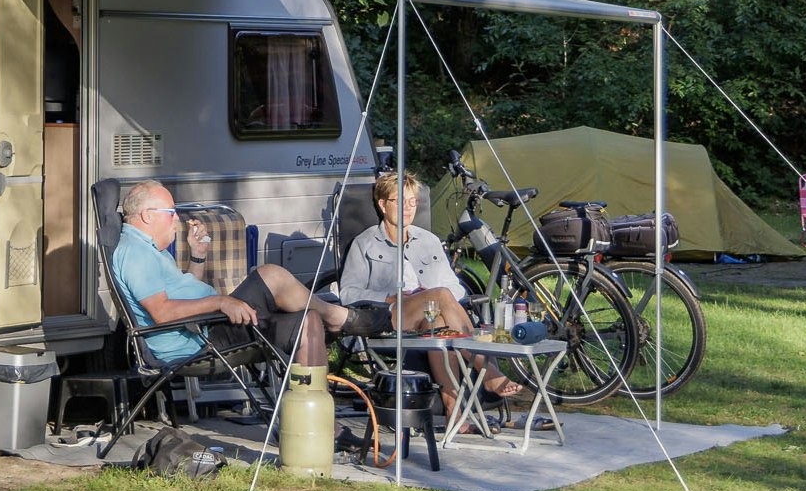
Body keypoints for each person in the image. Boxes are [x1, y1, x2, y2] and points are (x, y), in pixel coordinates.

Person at [109, 180, 384, 367]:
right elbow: (163, 313)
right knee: (270, 275)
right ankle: (340, 317)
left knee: (308, 320)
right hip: (201, 339)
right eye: (171, 213)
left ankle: (319, 425)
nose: (177, 219)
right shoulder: (135, 253)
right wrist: (221, 301)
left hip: (206, 326)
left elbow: (185, 292)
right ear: (147, 215)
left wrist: (197, 256)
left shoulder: (147, 249)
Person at [337, 171, 522, 399]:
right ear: (383, 205)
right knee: (442, 297)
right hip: (389, 317)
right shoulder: (365, 243)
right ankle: (489, 371)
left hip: (429, 314)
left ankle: (454, 412)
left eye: (413, 201)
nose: (408, 208)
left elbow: (456, 289)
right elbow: (347, 293)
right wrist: (388, 297)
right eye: (400, 201)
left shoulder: (429, 241)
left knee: (439, 322)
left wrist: (430, 295)